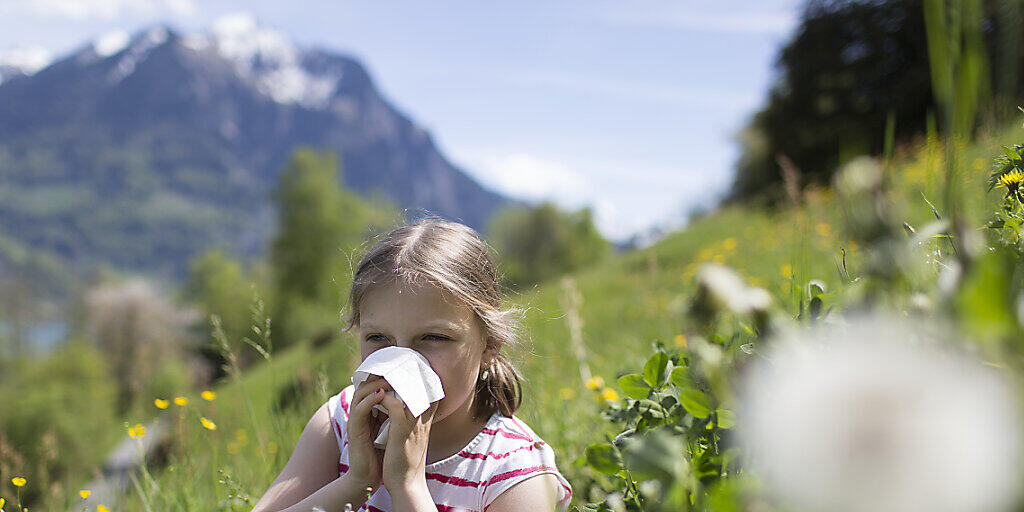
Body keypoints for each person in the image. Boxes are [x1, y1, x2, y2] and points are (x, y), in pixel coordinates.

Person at [252, 218, 573, 512]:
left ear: (490, 345)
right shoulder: (339, 424)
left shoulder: (513, 471)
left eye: (433, 337)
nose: (401, 363)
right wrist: (355, 484)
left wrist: (408, 487)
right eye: (378, 338)